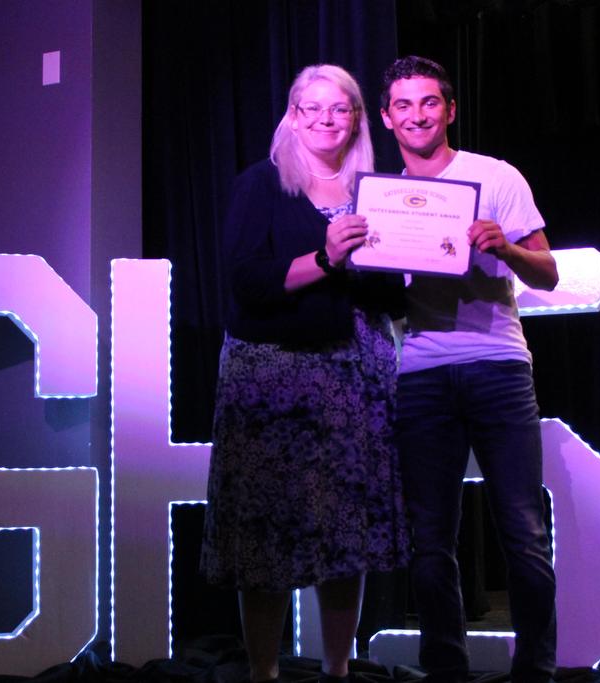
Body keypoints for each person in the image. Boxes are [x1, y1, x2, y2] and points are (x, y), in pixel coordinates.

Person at [200, 64, 410, 683]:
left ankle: (337, 670)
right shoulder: (261, 184)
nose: (325, 119)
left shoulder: (378, 192)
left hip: (355, 379)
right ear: (292, 117)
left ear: (357, 120)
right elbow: (247, 280)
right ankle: (263, 673)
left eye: (339, 108)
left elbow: (391, 296)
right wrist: (327, 257)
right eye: (311, 108)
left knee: (346, 534)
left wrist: (422, 261)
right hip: (270, 379)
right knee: (263, 534)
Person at [379, 56, 559, 683]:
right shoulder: (383, 199)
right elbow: (380, 298)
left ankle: (535, 670)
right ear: (387, 118)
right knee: (430, 540)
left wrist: (504, 245)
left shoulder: (495, 176)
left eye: (429, 102)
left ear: (450, 110)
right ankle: (445, 671)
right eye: (403, 105)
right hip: (421, 373)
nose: (417, 115)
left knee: (524, 531)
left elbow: (548, 273)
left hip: (498, 366)